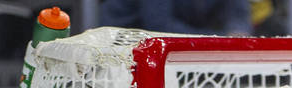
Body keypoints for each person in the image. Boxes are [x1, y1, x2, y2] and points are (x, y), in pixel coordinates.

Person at [98, 0, 252, 36]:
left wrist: (237, 32)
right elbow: (159, 25)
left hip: (184, 42)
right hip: (120, 47)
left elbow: (238, 14)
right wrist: (217, 40)